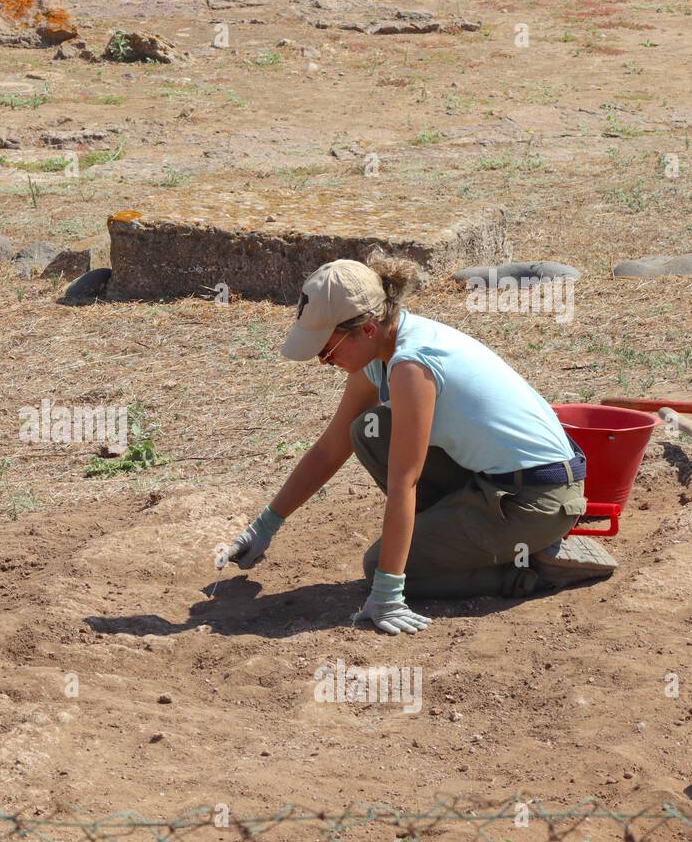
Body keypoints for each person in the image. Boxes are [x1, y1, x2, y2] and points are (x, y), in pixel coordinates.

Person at [226, 253, 616, 635]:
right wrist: (265, 526)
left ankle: (532, 568)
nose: (323, 362)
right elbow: (331, 447)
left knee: (380, 563)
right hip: (502, 481)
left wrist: (389, 591)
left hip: (536, 501)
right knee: (369, 430)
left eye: (326, 351)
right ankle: (470, 536)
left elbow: (404, 482)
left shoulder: (412, 364)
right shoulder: (384, 344)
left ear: (365, 329)